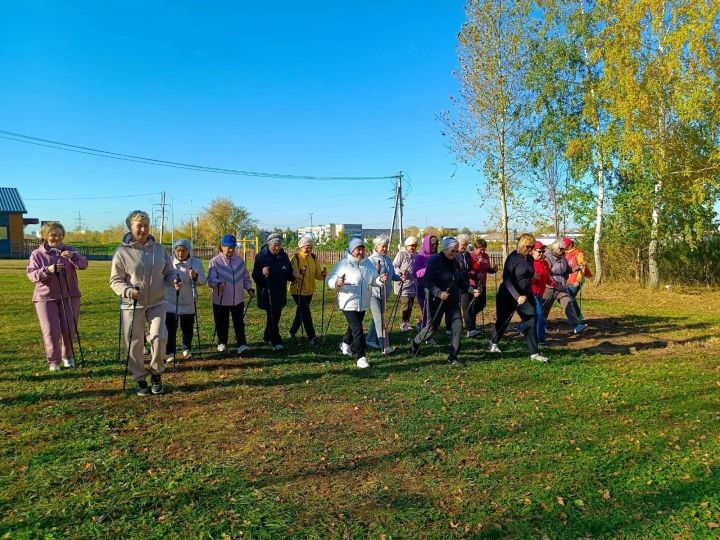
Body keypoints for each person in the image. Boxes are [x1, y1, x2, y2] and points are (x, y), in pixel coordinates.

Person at [110, 210, 180, 395]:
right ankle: (140, 379)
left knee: (159, 336)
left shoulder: (159, 249)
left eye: (146, 225)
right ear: (130, 227)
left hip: (158, 301)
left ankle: (156, 373)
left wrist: (174, 279)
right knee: (135, 342)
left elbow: (168, 272)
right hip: (132, 304)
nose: (143, 229)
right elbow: (115, 280)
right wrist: (127, 291)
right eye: (139, 226)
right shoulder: (122, 252)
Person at [26, 221, 88, 371]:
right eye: (53, 235)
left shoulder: (70, 250)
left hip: (70, 295)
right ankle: (54, 361)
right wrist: (47, 270)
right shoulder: (37, 254)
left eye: (60, 235)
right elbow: (32, 275)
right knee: (51, 329)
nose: (57, 238)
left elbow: (83, 265)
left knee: (69, 328)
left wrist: (73, 257)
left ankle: (68, 356)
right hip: (45, 298)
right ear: (45, 236)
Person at [410, 237, 481, 367]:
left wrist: (471, 290)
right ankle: (415, 342)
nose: (454, 253)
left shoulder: (455, 262)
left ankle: (453, 356)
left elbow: (459, 281)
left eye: (456, 251)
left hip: (452, 299)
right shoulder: (434, 261)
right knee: (432, 328)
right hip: (436, 299)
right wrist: (438, 293)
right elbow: (427, 281)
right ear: (445, 248)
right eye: (452, 251)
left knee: (458, 325)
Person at [486, 233, 548, 363]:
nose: (532, 249)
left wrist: (531, 282)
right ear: (523, 245)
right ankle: (493, 343)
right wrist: (517, 296)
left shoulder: (530, 259)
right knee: (503, 320)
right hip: (508, 295)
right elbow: (507, 279)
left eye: (533, 247)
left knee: (532, 319)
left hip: (525, 296)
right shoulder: (512, 258)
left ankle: (534, 353)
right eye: (530, 246)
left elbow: (527, 275)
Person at [326, 237, 387, 369]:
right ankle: (361, 357)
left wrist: (381, 280)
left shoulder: (367, 264)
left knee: (353, 327)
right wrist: (337, 282)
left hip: (364, 301)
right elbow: (330, 279)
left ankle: (345, 344)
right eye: (357, 249)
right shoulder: (344, 263)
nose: (360, 252)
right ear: (351, 250)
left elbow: (374, 280)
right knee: (358, 329)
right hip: (347, 302)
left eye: (362, 249)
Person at [208, 234, 254, 355]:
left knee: (239, 322)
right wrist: (218, 284)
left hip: (238, 298)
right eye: (228, 247)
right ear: (222, 246)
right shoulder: (215, 261)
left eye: (233, 247)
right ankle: (222, 342)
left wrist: (249, 288)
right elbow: (211, 279)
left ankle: (242, 344)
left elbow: (245, 277)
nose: (231, 249)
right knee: (222, 322)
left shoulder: (240, 261)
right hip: (221, 299)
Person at [165, 239, 207, 363]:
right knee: (170, 328)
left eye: (183, 251)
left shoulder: (196, 263)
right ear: (174, 251)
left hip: (189, 300)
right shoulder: (169, 262)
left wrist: (195, 276)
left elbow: (204, 281)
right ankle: (170, 352)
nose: (180, 253)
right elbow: (164, 278)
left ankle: (186, 348)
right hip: (171, 300)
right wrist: (173, 282)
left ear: (188, 251)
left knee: (187, 328)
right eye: (178, 251)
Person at [253, 233, 294, 351]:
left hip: (280, 291)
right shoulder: (261, 256)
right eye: (275, 245)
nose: (277, 248)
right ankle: (276, 339)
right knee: (272, 315)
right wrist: (262, 272)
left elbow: (288, 272)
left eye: (279, 245)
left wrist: (295, 275)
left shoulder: (284, 256)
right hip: (267, 292)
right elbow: (255, 277)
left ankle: (267, 335)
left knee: (276, 315)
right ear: (269, 244)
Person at [367, 235, 404, 353]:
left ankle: (370, 339)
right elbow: (369, 278)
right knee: (380, 319)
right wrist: (379, 278)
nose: (385, 248)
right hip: (372, 293)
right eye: (383, 246)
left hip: (384, 293)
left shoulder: (387, 259)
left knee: (377, 319)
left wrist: (400, 278)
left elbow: (392, 275)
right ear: (376, 246)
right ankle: (385, 346)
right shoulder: (370, 260)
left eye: (386, 246)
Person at [542, 240, 588, 334]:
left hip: (561, 287)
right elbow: (547, 273)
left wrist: (576, 268)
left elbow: (567, 270)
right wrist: (553, 283)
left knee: (568, 303)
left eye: (564, 249)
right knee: (544, 308)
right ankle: (536, 326)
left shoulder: (563, 258)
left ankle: (576, 325)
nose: (563, 251)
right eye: (561, 249)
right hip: (549, 287)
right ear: (555, 248)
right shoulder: (548, 258)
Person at [288, 235, 326, 346]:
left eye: (310, 247)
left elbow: (317, 275)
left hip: (310, 290)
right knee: (306, 312)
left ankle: (292, 331)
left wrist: (322, 274)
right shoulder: (296, 258)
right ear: (301, 247)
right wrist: (300, 273)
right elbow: (293, 274)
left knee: (301, 312)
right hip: (297, 290)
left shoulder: (314, 258)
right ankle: (312, 337)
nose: (309, 249)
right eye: (306, 247)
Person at [518, 241, 553, 344]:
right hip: (530, 293)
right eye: (539, 251)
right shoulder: (529, 262)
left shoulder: (545, 263)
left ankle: (521, 327)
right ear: (533, 251)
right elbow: (522, 279)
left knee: (533, 315)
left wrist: (553, 283)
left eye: (543, 251)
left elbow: (547, 278)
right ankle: (540, 339)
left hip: (540, 294)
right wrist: (533, 278)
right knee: (539, 315)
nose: (542, 254)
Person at [456, 234, 481, 337]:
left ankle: (470, 329)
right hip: (455, 285)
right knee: (454, 308)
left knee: (467, 306)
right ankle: (451, 328)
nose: (464, 247)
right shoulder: (454, 255)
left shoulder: (466, 255)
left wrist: (478, 265)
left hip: (465, 284)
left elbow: (471, 267)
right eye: (463, 244)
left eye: (466, 245)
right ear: (457, 244)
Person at [469, 238, 498, 324]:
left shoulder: (486, 256)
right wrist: (478, 263)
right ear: (475, 248)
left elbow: (487, 269)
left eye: (484, 250)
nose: (483, 252)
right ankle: (471, 325)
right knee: (473, 304)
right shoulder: (471, 256)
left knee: (482, 304)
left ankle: (471, 316)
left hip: (482, 283)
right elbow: (471, 269)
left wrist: (493, 270)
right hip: (473, 284)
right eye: (481, 250)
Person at [392, 236, 418, 332]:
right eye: (411, 246)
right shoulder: (401, 254)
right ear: (406, 246)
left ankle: (407, 322)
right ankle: (403, 323)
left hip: (412, 284)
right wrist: (401, 273)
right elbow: (394, 266)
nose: (413, 248)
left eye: (415, 246)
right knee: (405, 304)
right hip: (403, 284)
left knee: (410, 304)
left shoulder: (416, 255)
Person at [564, 237, 592, 322]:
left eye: (565, 244)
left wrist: (578, 280)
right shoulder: (565, 254)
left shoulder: (578, 253)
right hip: (568, 280)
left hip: (576, 279)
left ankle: (578, 317)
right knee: (568, 297)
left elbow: (582, 267)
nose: (563, 246)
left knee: (570, 297)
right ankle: (576, 317)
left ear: (570, 244)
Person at [414, 234, 439, 332]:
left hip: (435, 288)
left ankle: (428, 330)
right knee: (426, 312)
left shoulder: (437, 256)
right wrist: (427, 269)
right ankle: (425, 332)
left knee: (433, 312)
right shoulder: (420, 257)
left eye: (436, 245)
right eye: (432, 245)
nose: (434, 247)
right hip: (422, 288)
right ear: (426, 244)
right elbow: (415, 273)